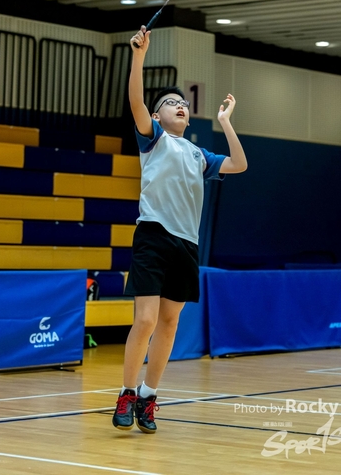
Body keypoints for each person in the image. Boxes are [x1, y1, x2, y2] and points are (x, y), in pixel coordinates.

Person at [112, 26, 247, 434]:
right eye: (172, 103)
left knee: (169, 324)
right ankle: (127, 392)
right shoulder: (153, 139)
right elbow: (135, 100)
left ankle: (149, 396)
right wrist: (138, 56)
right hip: (153, 236)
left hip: (186, 245)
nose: (180, 106)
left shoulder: (198, 154)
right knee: (146, 321)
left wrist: (225, 122)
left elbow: (239, 164)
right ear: (157, 116)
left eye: (184, 103)